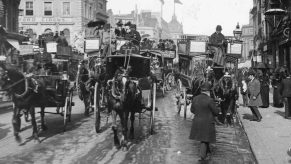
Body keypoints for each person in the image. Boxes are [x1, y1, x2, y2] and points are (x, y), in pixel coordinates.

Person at [189, 81, 219, 161]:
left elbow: (192, 110)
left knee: (204, 139)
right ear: (208, 91)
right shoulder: (210, 100)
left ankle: (207, 153)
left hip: (197, 122)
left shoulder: (195, 98)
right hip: (207, 123)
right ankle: (202, 157)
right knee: (205, 140)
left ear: (201, 90)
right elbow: (216, 112)